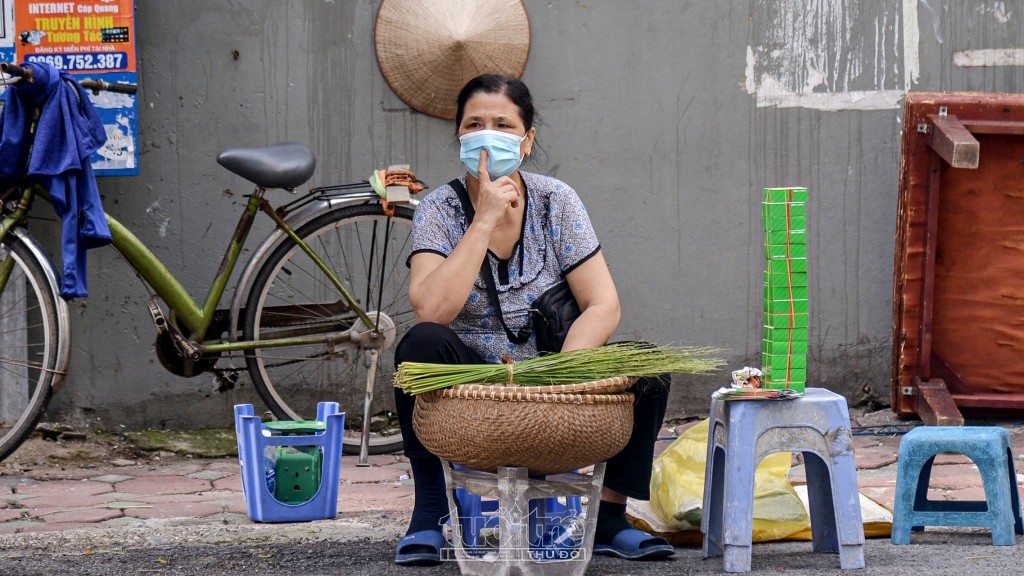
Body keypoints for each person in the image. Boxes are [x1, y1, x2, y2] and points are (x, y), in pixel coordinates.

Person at [392, 74, 674, 565]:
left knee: (648, 367)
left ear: (527, 140)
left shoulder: (555, 201)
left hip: (554, 369)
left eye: (503, 124)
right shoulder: (439, 208)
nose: (487, 133)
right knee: (418, 346)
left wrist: (561, 374)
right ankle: (429, 515)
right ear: (459, 136)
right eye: (474, 124)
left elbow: (603, 304)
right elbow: (430, 309)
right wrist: (482, 220)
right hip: (472, 378)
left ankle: (610, 519)